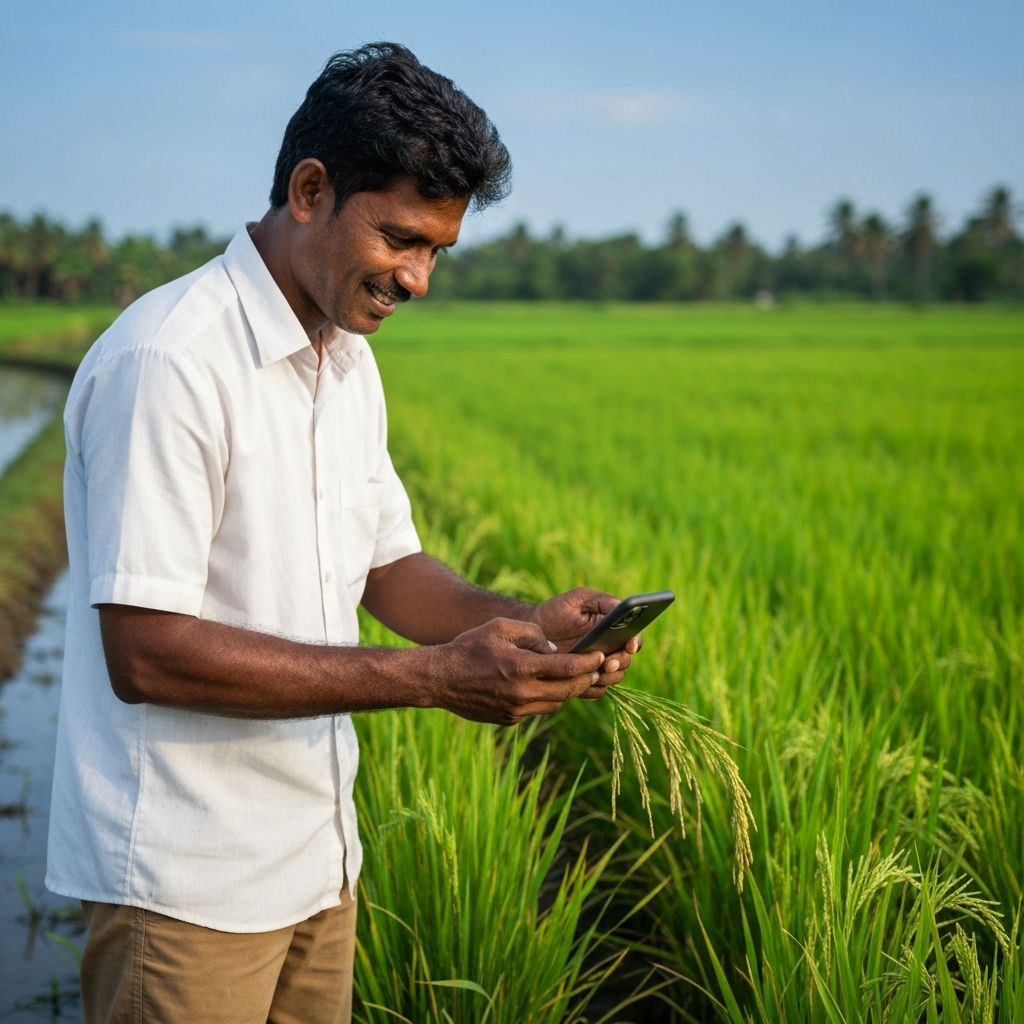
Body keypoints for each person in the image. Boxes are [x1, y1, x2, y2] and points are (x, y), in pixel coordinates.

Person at [45, 42, 640, 1024]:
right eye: (402, 238)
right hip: (185, 889)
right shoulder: (171, 362)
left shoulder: (344, 359)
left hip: (319, 864)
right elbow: (144, 651)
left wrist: (529, 622)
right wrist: (439, 677)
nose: (419, 279)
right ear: (310, 190)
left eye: (436, 250)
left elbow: (388, 566)